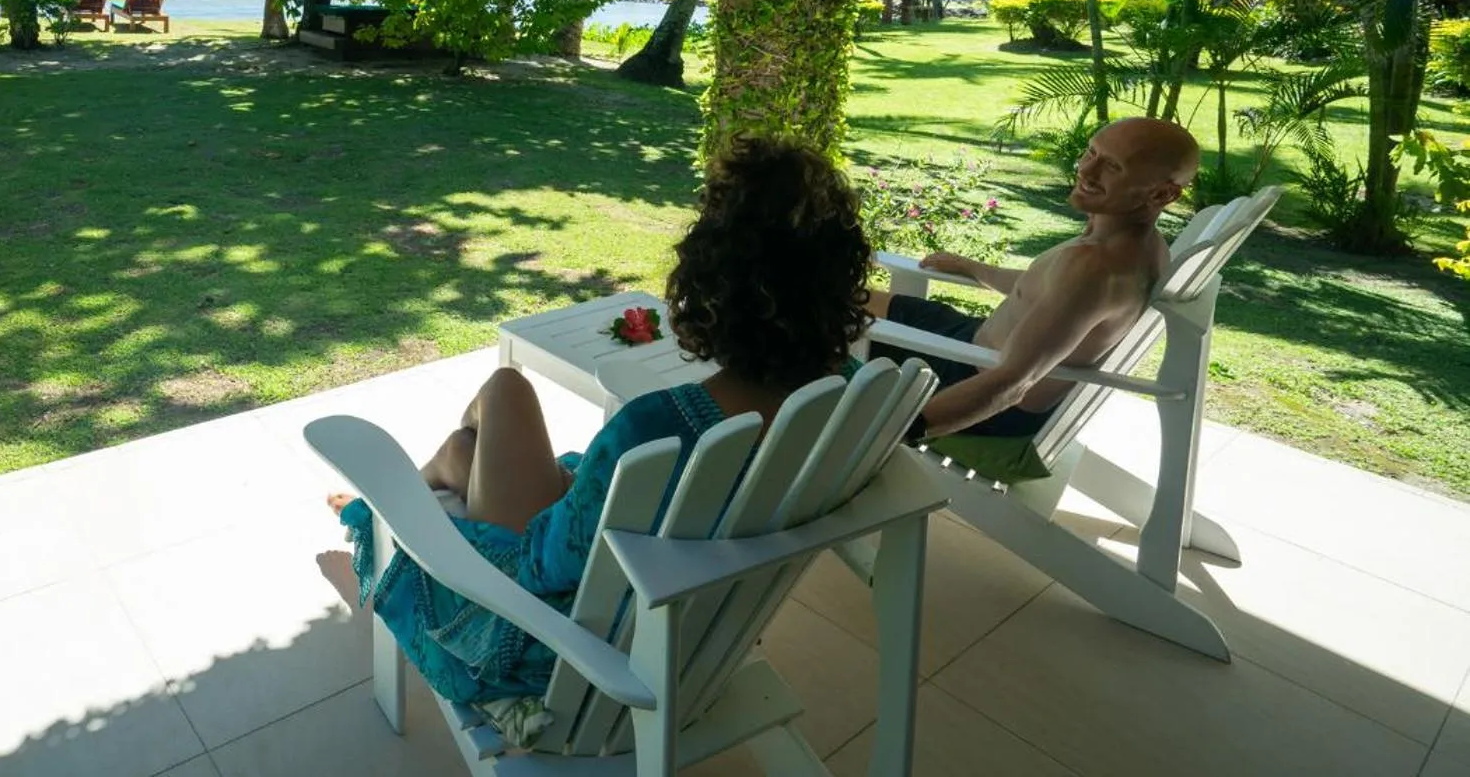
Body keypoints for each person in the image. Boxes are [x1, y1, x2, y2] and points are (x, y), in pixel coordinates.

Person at [330, 137, 874, 710]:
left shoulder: (661, 430)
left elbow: (542, 566)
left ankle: (394, 506)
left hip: (567, 644)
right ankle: (436, 471)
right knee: (475, 437)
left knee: (502, 395)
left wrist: (565, 493)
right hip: (695, 620)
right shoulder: (847, 392)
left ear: (713, 278)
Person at [870, 115, 1200, 441]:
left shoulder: (1095, 268)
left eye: (1113, 167)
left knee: (826, 323)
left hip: (973, 390)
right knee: (837, 299)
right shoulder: (1141, 245)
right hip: (969, 344)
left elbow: (1012, 384)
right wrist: (972, 267)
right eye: (1091, 152)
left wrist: (891, 433)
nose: (1086, 170)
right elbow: (1041, 293)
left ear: (1162, 195)